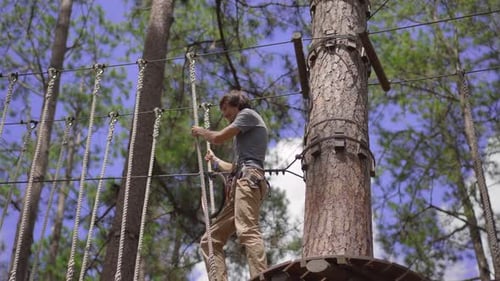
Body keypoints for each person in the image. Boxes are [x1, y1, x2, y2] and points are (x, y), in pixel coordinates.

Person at [191, 89, 269, 281]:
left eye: (226, 109)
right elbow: (234, 167)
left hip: (248, 180)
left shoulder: (247, 115)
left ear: (238, 105)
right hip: (241, 182)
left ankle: (260, 277)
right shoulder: (243, 134)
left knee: (247, 230)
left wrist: (201, 131)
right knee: (209, 241)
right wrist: (216, 161)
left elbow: (217, 138)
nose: (224, 114)